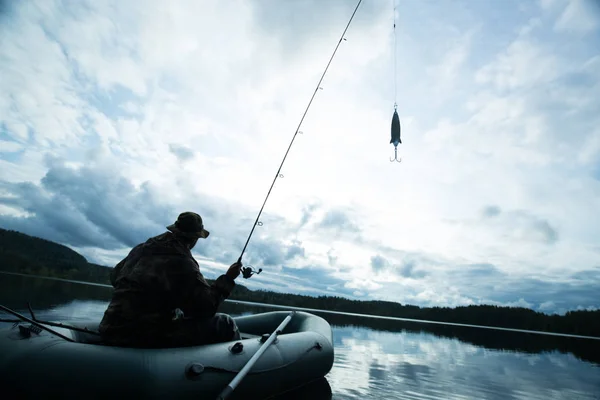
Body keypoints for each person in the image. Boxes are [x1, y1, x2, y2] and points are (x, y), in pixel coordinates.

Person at [98, 211, 243, 348]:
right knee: (225, 323)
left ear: (175, 230)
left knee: (177, 315)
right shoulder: (183, 262)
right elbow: (205, 308)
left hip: (110, 328)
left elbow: (115, 277)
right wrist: (228, 278)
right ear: (194, 239)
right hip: (142, 336)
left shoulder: (141, 248)